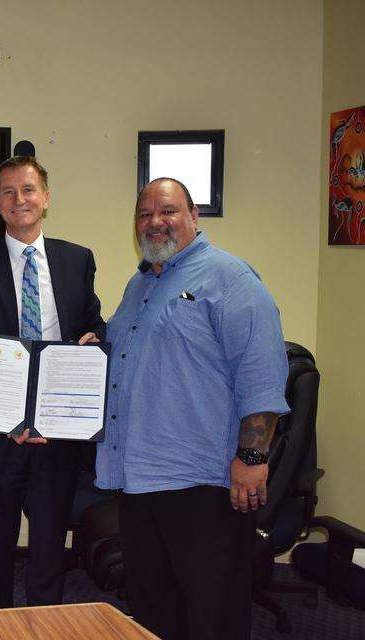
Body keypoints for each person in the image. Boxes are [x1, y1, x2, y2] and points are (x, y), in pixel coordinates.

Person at [96, 177, 290, 640]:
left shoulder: (230, 279)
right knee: (152, 610)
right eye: (144, 214)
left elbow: (261, 377)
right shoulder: (138, 285)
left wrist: (253, 459)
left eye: (168, 211)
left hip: (203, 484)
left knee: (211, 615)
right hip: (139, 479)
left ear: (193, 217)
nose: (155, 222)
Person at [0, 156, 105, 608]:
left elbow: (91, 322)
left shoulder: (77, 260)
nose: (20, 200)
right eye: (9, 192)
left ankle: (46, 625)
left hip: (57, 431)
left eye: (29, 189)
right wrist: (6, 419)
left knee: (48, 548)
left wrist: (96, 337)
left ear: (46, 197)